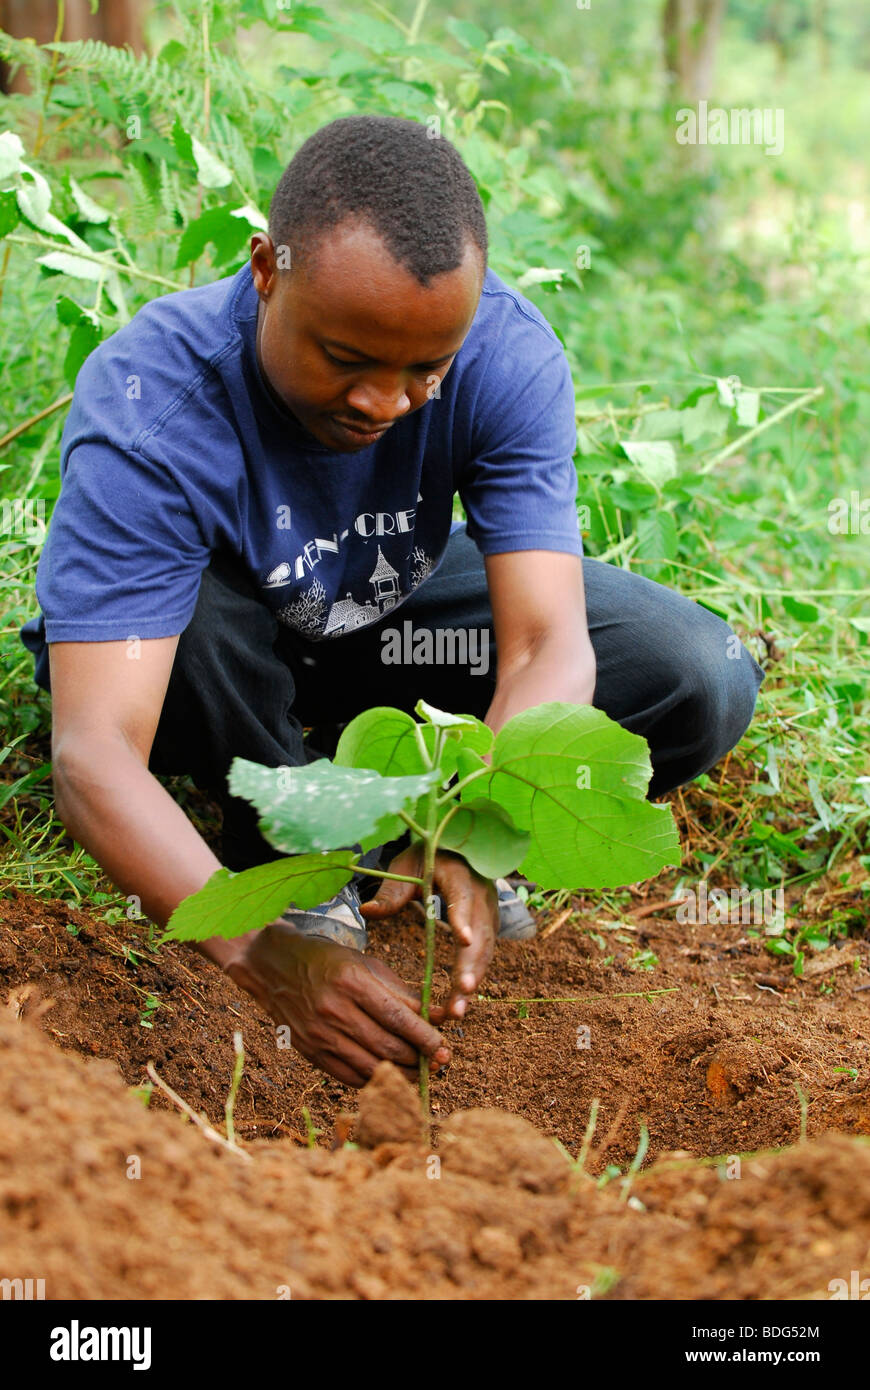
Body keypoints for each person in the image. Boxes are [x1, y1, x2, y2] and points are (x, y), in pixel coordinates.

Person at [20, 114, 763, 1088]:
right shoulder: (151, 396)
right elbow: (94, 751)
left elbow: (548, 643)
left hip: (376, 619)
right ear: (264, 271)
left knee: (697, 673)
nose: (382, 401)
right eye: (344, 358)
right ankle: (289, 844)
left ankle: (385, 809)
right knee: (193, 609)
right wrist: (256, 954)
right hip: (200, 655)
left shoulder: (505, 353)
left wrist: (470, 820)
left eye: (424, 371)